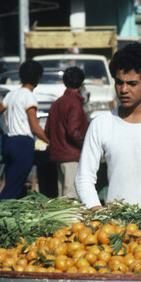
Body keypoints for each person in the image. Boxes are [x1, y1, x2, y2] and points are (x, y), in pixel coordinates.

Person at [75, 42, 141, 210]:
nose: (124, 89)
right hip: (115, 228)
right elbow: (84, 177)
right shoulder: (101, 124)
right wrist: (98, 212)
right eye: (119, 82)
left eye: (132, 83)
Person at [0, 60, 48, 200]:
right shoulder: (29, 96)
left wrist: (0, 131)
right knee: (13, 188)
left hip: (9, 142)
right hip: (23, 144)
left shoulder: (12, 94)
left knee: (12, 182)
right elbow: (34, 127)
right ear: (37, 77)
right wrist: (50, 140)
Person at [44, 67, 89, 198]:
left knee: (62, 197)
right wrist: (87, 146)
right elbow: (73, 131)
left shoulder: (56, 103)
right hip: (72, 156)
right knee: (71, 198)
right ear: (81, 85)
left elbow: (47, 131)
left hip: (58, 156)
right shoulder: (74, 103)